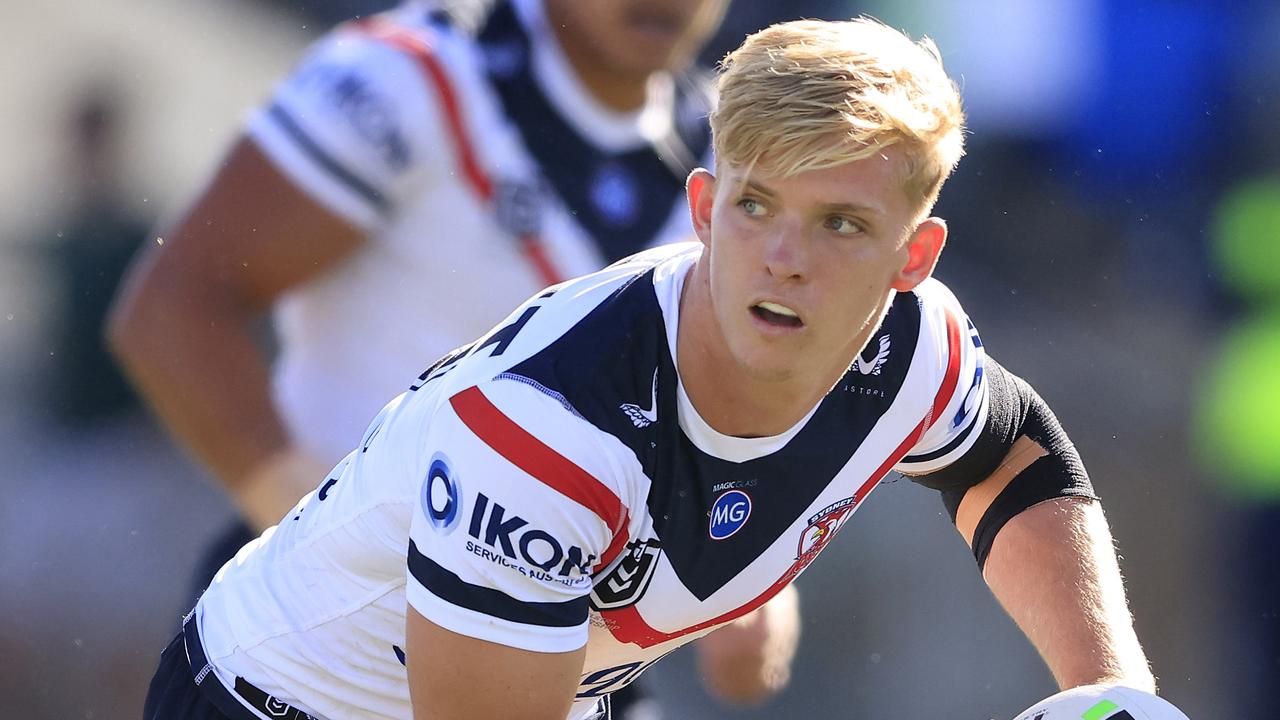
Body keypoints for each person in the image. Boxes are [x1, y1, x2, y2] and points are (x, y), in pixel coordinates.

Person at [139, 15, 1173, 720]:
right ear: (700, 209)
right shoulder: (550, 437)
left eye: (840, 223)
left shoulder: (911, 347)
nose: (783, 256)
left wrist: (1111, 690)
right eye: (754, 205)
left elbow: (1005, 454)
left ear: (912, 260)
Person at [109, 0, 798, 713]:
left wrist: (751, 578)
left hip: (562, 646)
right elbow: (173, 308)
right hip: (319, 642)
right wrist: (330, 546)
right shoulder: (409, 76)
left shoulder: (732, 146)